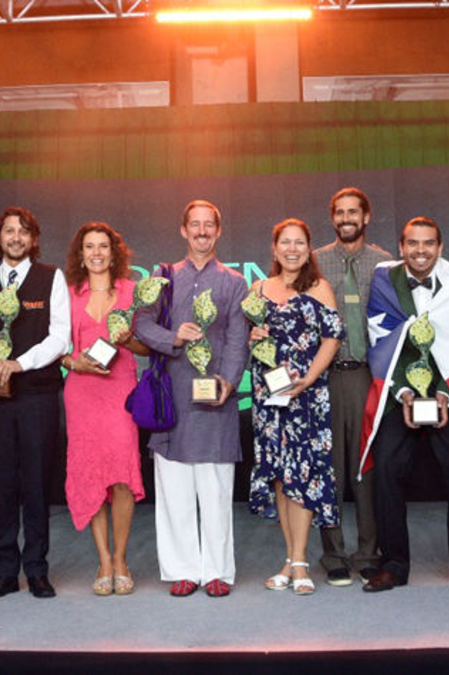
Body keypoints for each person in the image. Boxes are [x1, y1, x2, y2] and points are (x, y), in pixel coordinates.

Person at [359, 217, 449, 593]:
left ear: (440, 247)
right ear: (401, 247)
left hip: (446, 390)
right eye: (412, 243)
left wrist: (442, 393)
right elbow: (381, 338)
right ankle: (393, 564)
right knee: (386, 469)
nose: (420, 251)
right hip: (399, 391)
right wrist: (406, 393)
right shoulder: (385, 280)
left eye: (428, 244)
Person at [134, 199, 249, 598]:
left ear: (218, 231)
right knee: (175, 490)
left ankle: (217, 571)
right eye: (194, 225)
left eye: (208, 225)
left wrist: (228, 382)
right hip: (173, 397)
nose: (202, 231)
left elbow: (238, 337)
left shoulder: (234, 282)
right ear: (183, 230)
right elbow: (141, 322)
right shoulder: (162, 277)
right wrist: (174, 338)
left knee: (216, 490)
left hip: (217, 398)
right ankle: (182, 570)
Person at [0, 206, 69, 599]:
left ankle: (37, 570)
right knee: (0, 485)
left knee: (37, 485)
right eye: (9, 231)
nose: (16, 237)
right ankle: (5, 571)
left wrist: (19, 363)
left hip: (37, 396)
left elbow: (60, 337)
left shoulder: (51, 278)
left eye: (24, 231)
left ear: (33, 240)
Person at [249, 218, 343, 595]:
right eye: (285, 242)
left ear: (308, 249)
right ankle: (290, 559)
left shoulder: (320, 287)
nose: (292, 249)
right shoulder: (258, 289)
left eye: (299, 243)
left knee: (302, 474)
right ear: (274, 249)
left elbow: (332, 338)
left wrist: (309, 379)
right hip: (269, 396)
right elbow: (251, 338)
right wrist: (254, 334)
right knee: (280, 476)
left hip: (306, 396)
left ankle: (300, 560)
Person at [61, 222, 149, 596]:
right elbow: (57, 348)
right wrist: (73, 362)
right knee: (91, 474)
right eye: (89, 247)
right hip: (82, 393)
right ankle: (104, 561)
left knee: (122, 474)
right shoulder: (68, 294)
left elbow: (148, 346)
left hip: (120, 391)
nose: (96, 253)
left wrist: (128, 340)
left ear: (114, 254)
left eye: (103, 246)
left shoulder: (132, 291)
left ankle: (122, 559)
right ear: (80, 255)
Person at [314, 187, 392, 585]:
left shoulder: (384, 264)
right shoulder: (314, 262)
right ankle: (333, 555)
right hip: (323, 377)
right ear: (333, 218)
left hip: (367, 375)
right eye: (340, 212)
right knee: (329, 470)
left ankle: (367, 552)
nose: (346, 218)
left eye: (353, 212)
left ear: (366, 217)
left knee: (366, 468)